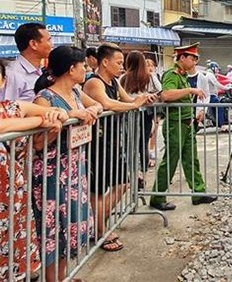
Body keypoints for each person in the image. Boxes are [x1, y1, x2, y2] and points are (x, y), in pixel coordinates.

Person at [33, 46, 103, 280]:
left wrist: (88, 110)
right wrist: (66, 121)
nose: (86, 69)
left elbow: (98, 104)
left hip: (74, 171)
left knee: (68, 230)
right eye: (83, 65)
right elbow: (38, 143)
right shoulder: (45, 99)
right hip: (52, 176)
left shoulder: (74, 92)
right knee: (53, 232)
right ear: (72, 68)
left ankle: (62, 277)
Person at [0, 62, 68, 282]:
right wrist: (41, 121)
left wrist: (55, 117)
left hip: (12, 200)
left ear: (3, 81)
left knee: (12, 253)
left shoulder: (12, 108)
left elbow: (61, 113)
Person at [83, 43, 153, 251]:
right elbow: (108, 104)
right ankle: (98, 228)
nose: (122, 66)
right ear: (105, 62)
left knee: (122, 183)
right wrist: (134, 105)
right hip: (96, 142)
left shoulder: (113, 80)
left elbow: (127, 99)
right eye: (118, 62)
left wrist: (141, 100)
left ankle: (96, 226)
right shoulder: (94, 82)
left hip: (112, 140)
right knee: (98, 189)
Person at [149, 43, 217, 211]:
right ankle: (157, 197)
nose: (194, 62)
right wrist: (190, 90)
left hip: (187, 123)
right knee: (170, 162)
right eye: (192, 58)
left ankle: (198, 192)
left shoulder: (183, 75)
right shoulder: (172, 75)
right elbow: (166, 94)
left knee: (191, 160)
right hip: (175, 124)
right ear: (182, 58)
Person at [120, 51, 161, 184]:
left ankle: (134, 173)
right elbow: (160, 91)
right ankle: (142, 174)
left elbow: (121, 96)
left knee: (130, 143)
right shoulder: (149, 77)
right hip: (145, 114)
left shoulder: (123, 78)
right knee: (143, 143)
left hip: (128, 113)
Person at [2, 22, 52, 102]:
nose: (52, 45)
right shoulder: (12, 74)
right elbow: (6, 109)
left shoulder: (42, 71)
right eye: (49, 40)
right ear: (33, 44)